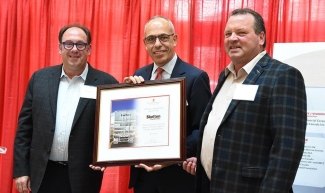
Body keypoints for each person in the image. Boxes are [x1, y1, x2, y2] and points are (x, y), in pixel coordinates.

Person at [183, 8, 307, 193]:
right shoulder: (226, 76)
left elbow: (287, 150)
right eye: (228, 34)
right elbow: (223, 130)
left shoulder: (283, 76)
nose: (233, 38)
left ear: (261, 37)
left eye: (241, 33)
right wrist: (204, 157)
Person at [13, 23, 118, 193]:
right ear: (60, 48)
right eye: (68, 44)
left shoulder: (107, 83)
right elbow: (24, 129)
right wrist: (21, 171)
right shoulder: (39, 79)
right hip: (42, 174)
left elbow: (114, 130)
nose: (74, 49)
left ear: (89, 49)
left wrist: (107, 157)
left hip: (84, 177)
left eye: (80, 44)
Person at [125, 16, 212, 193]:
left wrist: (168, 156)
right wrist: (126, 98)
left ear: (174, 39)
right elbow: (132, 125)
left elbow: (202, 130)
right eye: (151, 39)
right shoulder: (138, 75)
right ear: (145, 43)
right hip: (144, 177)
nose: (157, 44)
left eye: (163, 37)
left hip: (178, 179)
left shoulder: (195, 77)